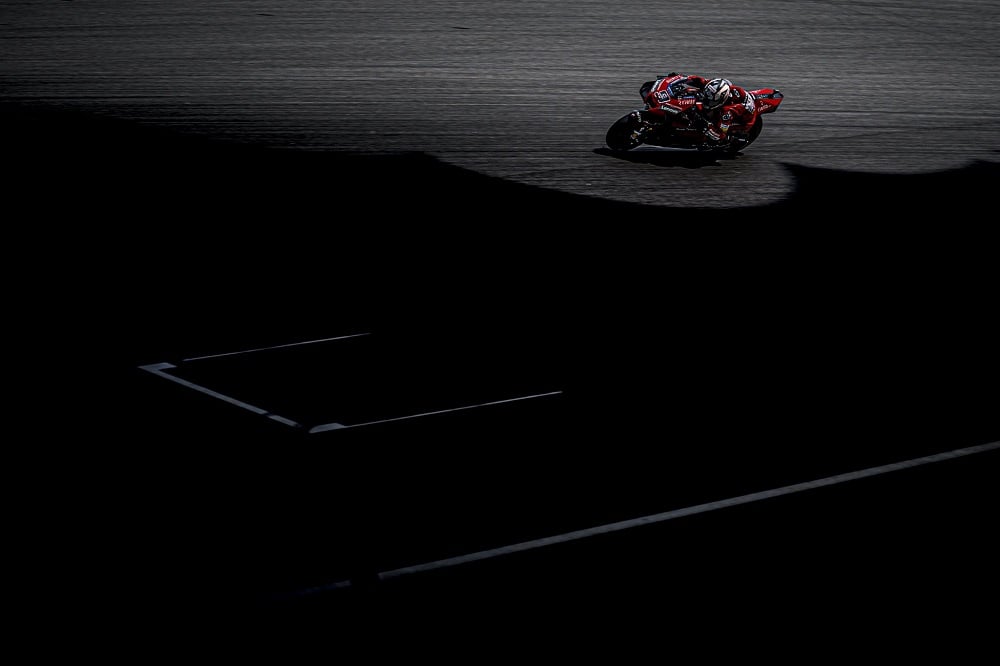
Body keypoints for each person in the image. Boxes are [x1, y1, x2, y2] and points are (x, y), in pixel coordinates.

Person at [639, 73, 755, 147]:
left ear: (721, 101)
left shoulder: (727, 113)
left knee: (713, 139)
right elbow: (697, 80)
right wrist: (678, 78)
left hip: (745, 119)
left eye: (711, 101)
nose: (707, 102)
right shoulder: (712, 86)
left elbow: (720, 134)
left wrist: (705, 127)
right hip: (729, 98)